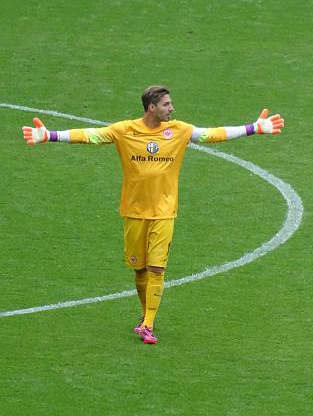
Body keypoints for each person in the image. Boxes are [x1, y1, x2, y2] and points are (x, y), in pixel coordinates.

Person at [21, 85, 284, 344]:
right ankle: (145, 314)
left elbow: (212, 134)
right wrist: (50, 135)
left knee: (157, 268)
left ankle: (148, 323)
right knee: (139, 269)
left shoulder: (179, 131)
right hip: (134, 211)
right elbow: (91, 135)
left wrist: (253, 128)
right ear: (151, 107)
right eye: (166, 104)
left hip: (164, 212)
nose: (172, 108)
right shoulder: (125, 130)